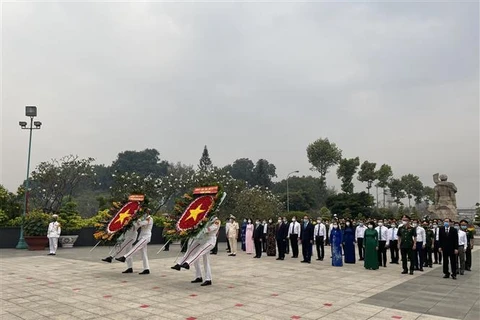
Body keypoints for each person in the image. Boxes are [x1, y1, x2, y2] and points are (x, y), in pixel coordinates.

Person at [171, 217, 221, 286]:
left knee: (201, 255)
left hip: (209, 241)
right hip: (202, 239)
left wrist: (197, 229)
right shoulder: (205, 218)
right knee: (191, 250)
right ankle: (181, 265)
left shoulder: (216, 221)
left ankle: (207, 278)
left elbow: (209, 229)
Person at [116, 209, 153, 275]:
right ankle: (146, 269)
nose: (144, 213)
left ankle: (124, 257)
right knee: (144, 254)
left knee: (136, 247)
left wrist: (138, 221)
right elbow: (136, 225)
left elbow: (143, 223)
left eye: (145, 212)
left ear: (148, 213)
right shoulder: (143, 218)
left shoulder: (149, 218)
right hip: (142, 236)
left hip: (146, 237)